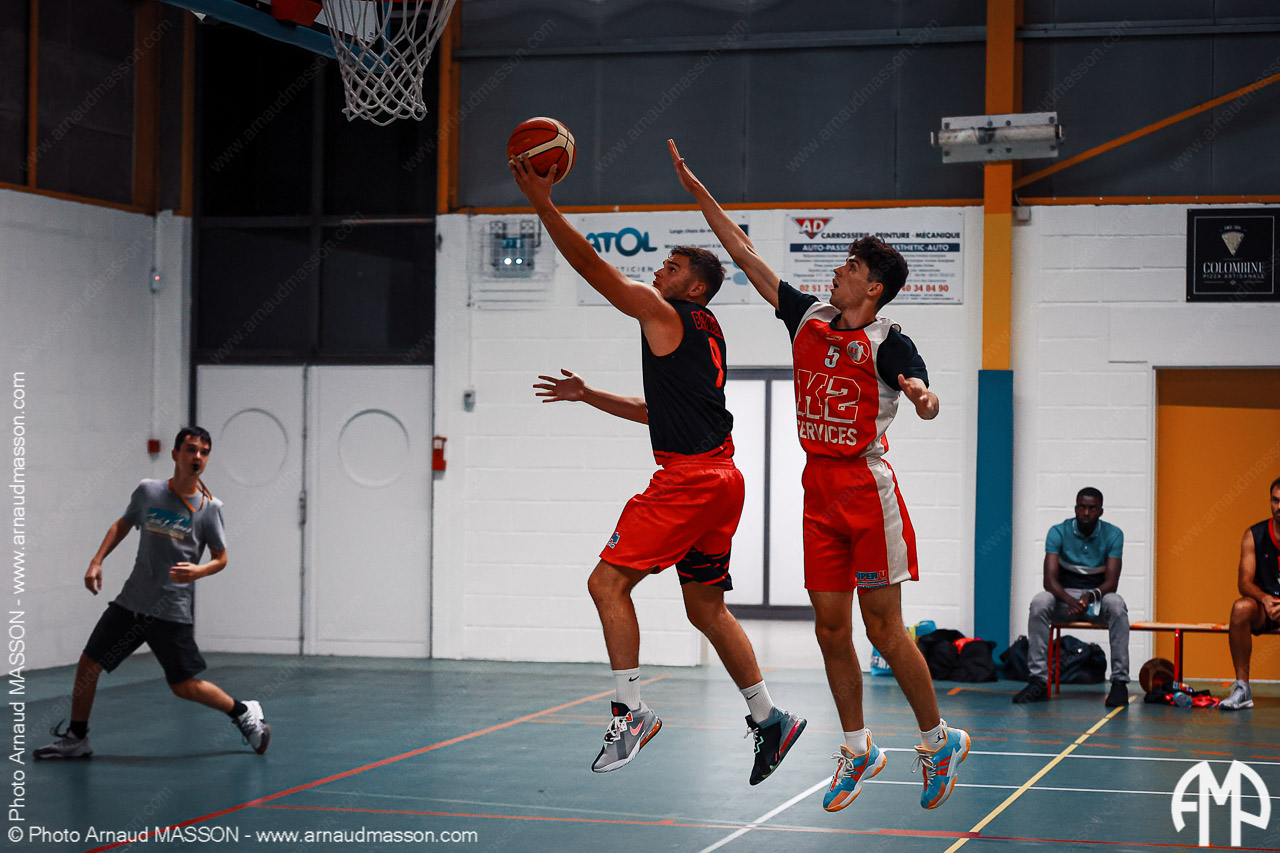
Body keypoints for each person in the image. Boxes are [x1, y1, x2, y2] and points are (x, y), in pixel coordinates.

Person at [669, 139, 969, 812]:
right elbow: (744, 254)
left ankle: (938, 740)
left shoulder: (889, 341)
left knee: (885, 630)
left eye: (851, 267)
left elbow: (919, 387)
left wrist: (922, 397)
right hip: (818, 492)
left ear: (874, 288)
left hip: (867, 493)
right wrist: (697, 191)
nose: (838, 271)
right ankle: (859, 749)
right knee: (831, 630)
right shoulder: (806, 316)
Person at [512, 154, 805, 783]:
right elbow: (658, 414)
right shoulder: (705, 330)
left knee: (606, 584)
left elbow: (596, 272)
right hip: (723, 479)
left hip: (690, 481)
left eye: (670, 268)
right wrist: (589, 395)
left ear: (694, 287)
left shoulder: (664, 314)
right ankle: (770, 718)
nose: (657, 272)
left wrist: (543, 206)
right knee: (707, 610)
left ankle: (632, 713)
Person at [34, 427, 269, 759]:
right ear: (175, 454)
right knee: (89, 665)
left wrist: (199, 571)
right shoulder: (149, 492)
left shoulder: (209, 508)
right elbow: (122, 524)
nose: (197, 457)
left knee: (183, 686)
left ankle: (243, 712)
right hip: (131, 603)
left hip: (170, 611)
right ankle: (77, 738)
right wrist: (97, 561)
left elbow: (221, 558)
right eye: (191, 449)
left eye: (204, 452)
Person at [1012, 487, 1129, 707]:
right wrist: (1070, 600)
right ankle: (1038, 682)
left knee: (1117, 604)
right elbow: (1049, 581)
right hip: (1065, 600)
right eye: (1082, 507)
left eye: (1092, 508)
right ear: (1075, 508)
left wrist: (1089, 596)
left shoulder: (1114, 535)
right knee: (1040, 602)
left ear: (1101, 511)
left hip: (1096, 600)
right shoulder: (1058, 532)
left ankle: (1119, 683)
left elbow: (1112, 583)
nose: (1086, 512)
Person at [1221, 476, 1280, 710]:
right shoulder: (1254, 535)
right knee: (1241, 608)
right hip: (1266, 609)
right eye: (1275, 500)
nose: (1279, 506)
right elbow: (1244, 583)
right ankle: (1243, 688)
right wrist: (1266, 599)